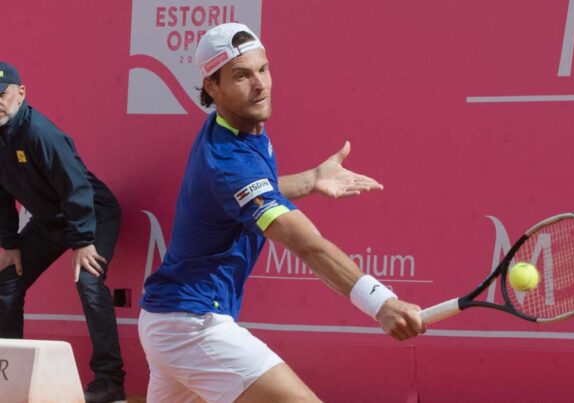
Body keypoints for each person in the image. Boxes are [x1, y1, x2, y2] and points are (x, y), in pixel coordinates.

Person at [138, 23, 426, 402]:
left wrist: (313, 179)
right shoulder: (229, 160)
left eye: (264, 69)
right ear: (212, 87)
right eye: (241, 75)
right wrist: (381, 302)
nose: (260, 84)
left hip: (170, 321)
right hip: (192, 325)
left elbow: (246, 197)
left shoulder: (238, 129)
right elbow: (307, 246)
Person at [0, 62, 126, 403]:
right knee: (8, 282)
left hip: (92, 215)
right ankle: (8, 374)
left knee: (88, 282)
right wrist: (10, 244)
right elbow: (0, 196)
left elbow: (77, 187)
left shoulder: (39, 133)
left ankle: (110, 381)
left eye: (2, 93)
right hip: (49, 221)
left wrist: (83, 240)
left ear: (20, 93)